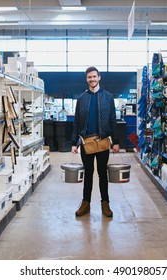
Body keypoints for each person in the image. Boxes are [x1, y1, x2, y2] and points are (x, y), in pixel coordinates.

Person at [71, 66, 120, 217]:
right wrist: (74, 142)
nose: (92, 79)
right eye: (89, 77)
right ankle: (86, 203)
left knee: (102, 173)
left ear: (99, 77)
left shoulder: (108, 97)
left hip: (103, 141)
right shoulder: (81, 98)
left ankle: (105, 203)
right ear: (86, 79)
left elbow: (113, 120)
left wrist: (116, 141)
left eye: (94, 76)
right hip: (86, 142)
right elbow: (77, 121)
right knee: (88, 173)